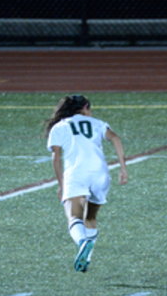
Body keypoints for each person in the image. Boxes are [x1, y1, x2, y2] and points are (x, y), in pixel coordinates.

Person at [46, 94, 128, 272]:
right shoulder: (98, 123)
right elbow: (115, 138)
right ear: (84, 108)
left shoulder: (59, 127)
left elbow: (56, 158)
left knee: (74, 217)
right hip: (100, 174)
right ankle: (86, 259)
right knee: (90, 217)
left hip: (77, 174)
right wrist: (123, 168)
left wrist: (61, 184)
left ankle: (82, 242)